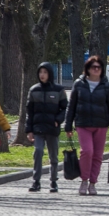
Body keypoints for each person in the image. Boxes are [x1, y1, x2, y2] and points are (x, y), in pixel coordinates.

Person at [65, 55, 109, 196]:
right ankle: (84, 180)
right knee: (87, 151)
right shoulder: (79, 84)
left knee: (97, 155)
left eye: (98, 67)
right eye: (93, 67)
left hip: (101, 124)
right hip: (83, 124)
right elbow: (72, 106)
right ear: (87, 69)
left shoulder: (106, 86)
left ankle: (93, 183)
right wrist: (68, 125)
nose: (96, 69)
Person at [25, 62, 68, 193]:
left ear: (49, 74)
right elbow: (29, 112)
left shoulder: (58, 90)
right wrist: (29, 129)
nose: (42, 75)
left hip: (52, 128)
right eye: (40, 72)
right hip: (38, 128)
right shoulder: (34, 90)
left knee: (53, 156)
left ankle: (53, 181)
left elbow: (64, 108)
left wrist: (58, 120)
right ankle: (36, 181)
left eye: (45, 72)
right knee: (38, 152)